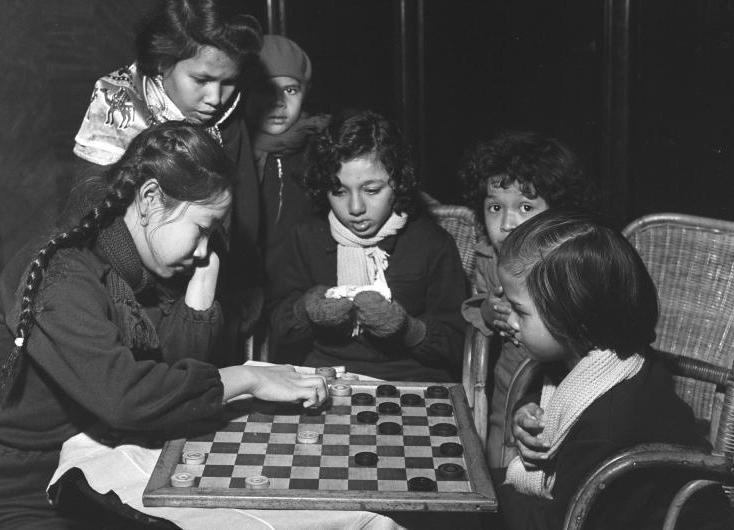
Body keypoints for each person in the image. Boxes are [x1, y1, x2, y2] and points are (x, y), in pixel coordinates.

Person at [0, 122, 328, 529]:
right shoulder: (61, 276)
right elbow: (127, 397)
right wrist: (248, 378)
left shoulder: (141, 268)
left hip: (85, 469)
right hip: (7, 490)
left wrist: (203, 282)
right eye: (202, 230)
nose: (204, 249)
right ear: (150, 198)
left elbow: (171, 379)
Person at [494, 210, 730, 530]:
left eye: (520, 311)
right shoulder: (606, 362)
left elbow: (561, 523)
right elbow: (556, 393)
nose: (508, 320)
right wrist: (528, 410)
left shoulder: (606, 427)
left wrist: (496, 494)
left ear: (574, 318)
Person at [73, 0, 264, 365]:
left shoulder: (228, 116)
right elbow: (88, 209)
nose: (215, 99)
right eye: (201, 80)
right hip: (128, 289)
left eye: (228, 82)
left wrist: (234, 289)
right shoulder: (116, 101)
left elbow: (242, 217)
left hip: (203, 278)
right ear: (163, 62)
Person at [269, 110, 467, 381]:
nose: (355, 208)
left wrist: (408, 329)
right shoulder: (306, 236)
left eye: (372, 190)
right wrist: (305, 310)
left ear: (398, 181)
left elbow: (458, 346)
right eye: (338, 191)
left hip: (409, 378)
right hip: (323, 373)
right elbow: (277, 331)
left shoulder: (432, 243)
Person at [458, 130, 598, 468]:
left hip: (562, 384)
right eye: (495, 207)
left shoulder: (572, 262)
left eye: (525, 207)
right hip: (506, 382)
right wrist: (489, 311)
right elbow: (479, 303)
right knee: (498, 455)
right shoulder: (489, 257)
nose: (508, 223)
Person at [244, 34, 330, 299]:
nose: (279, 102)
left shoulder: (321, 146)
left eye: (291, 90)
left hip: (307, 291)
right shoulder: (235, 149)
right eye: (265, 89)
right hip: (249, 294)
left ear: (305, 92)